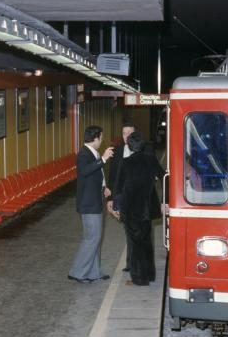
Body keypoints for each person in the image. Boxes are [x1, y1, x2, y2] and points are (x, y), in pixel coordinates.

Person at [113, 131, 164, 286]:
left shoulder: (126, 162)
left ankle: (139, 278)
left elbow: (119, 187)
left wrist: (116, 206)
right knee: (147, 241)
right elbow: (164, 176)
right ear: (143, 145)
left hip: (131, 208)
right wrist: (164, 201)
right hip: (148, 208)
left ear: (129, 145)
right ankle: (149, 274)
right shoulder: (151, 160)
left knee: (135, 244)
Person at [68, 125, 114, 283]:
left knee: (94, 238)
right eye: (101, 137)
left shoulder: (91, 153)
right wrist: (103, 159)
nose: (102, 140)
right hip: (89, 203)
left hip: (94, 199)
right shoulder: (83, 154)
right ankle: (77, 272)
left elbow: (94, 176)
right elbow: (85, 171)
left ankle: (93, 272)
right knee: (92, 238)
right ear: (95, 138)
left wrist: (104, 187)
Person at [106, 122, 135, 272]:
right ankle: (130, 262)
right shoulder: (117, 152)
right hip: (122, 197)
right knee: (128, 230)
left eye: (130, 133)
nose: (127, 136)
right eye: (124, 133)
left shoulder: (142, 151)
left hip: (137, 199)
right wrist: (110, 199)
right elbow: (112, 177)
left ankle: (134, 262)